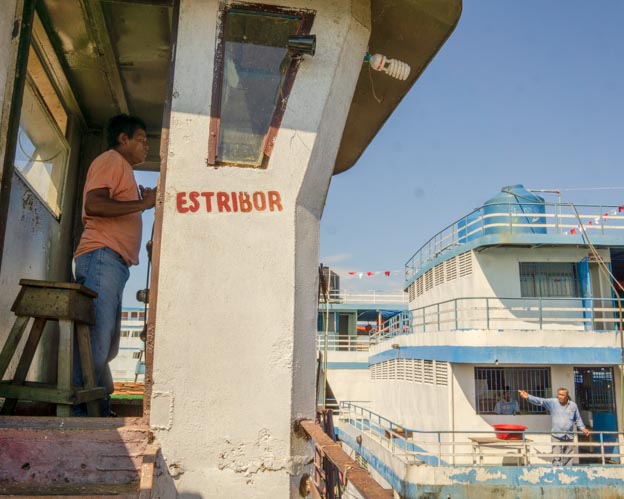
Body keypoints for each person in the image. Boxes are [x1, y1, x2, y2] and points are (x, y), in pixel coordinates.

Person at [73, 114, 157, 416]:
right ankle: (84, 414)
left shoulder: (123, 171)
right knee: (97, 341)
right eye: (142, 139)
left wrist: (140, 201)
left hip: (113, 263)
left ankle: (98, 407)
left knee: (107, 346)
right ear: (123, 139)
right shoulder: (111, 160)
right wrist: (142, 204)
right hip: (101, 256)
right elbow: (94, 204)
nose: (146, 147)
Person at [519, 387, 590, 465]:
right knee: (556, 458)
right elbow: (540, 401)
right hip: (556, 435)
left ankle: (567, 473)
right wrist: (528, 397)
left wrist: (583, 428)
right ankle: (557, 473)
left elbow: (577, 419)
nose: (560, 396)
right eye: (559, 394)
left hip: (569, 435)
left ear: (567, 396)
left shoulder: (573, 405)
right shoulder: (553, 402)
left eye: (562, 395)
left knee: (568, 457)